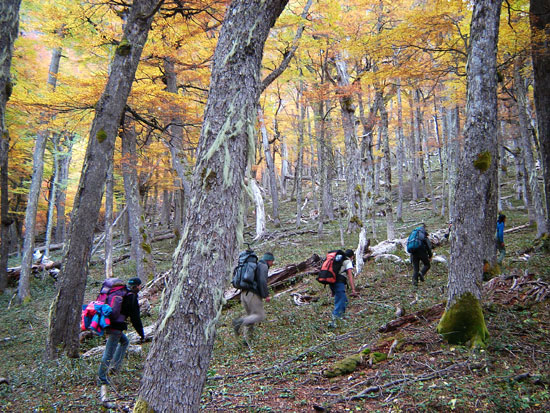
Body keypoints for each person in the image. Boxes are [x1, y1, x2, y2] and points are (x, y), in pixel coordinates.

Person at [98, 277, 145, 386]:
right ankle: (101, 378)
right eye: (139, 285)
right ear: (136, 286)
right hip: (116, 327)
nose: (140, 287)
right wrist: (141, 334)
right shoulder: (131, 296)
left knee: (125, 342)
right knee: (109, 352)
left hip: (108, 322)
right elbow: (135, 318)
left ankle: (115, 367)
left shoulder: (123, 292)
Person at [232, 252, 273, 343]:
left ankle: (248, 341)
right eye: (272, 261)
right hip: (252, 294)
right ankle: (239, 322)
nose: (272, 264)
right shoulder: (263, 266)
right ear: (269, 260)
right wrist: (266, 295)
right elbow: (262, 281)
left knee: (251, 318)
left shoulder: (256, 265)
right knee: (259, 315)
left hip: (244, 294)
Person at [328, 249, 358, 328]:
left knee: (344, 300)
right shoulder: (347, 262)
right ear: (352, 256)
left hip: (332, 282)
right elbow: (350, 276)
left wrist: (332, 291)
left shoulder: (337, 260)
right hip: (339, 282)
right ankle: (334, 322)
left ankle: (341, 318)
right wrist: (353, 290)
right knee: (340, 301)